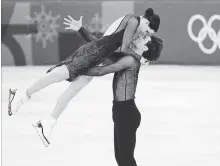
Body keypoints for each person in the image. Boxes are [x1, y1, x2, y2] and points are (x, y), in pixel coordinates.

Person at [8, 8, 161, 148]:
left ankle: (49, 122)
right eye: (147, 32)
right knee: (57, 75)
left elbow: (104, 45)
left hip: (97, 58)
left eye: (147, 35)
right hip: (91, 54)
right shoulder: (132, 21)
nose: (144, 35)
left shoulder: (132, 33)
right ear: (146, 22)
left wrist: (81, 30)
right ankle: (22, 95)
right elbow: (113, 47)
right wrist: (138, 58)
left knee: (72, 90)